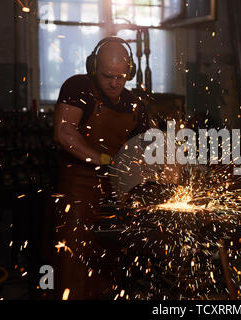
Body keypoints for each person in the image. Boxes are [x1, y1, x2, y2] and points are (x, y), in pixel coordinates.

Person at [51, 37, 149, 299]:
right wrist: (107, 161)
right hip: (77, 190)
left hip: (113, 194)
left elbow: (141, 150)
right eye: (108, 76)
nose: (115, 83)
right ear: (93, 67)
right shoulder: (78, 87)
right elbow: (64, 132)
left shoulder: (135, 105)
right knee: (71, 262)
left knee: (109, 266)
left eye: (121, 77)